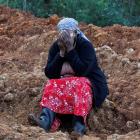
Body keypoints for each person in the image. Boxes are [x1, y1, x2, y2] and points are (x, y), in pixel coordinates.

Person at [28, 18, 109, 135]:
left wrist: (70, 49)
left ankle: (79, 126)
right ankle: (45, 121)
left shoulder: (85, 46)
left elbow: (82, 71)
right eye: (62, 32)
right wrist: (60, 54)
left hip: (90, 84)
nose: (65, 36)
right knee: (51, 84)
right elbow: (49, 73)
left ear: (76, 32)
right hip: (67, 84)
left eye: (68, 32)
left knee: (79, 83)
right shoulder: (56, 47)